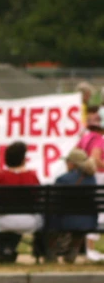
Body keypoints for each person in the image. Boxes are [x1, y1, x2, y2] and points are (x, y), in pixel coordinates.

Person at [45, 148, 97, 263]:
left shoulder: (63, 179)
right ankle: (72, 252)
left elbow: (54, 202)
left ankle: (51, 253)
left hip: (65, 220)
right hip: (88, 221)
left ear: (72, 164)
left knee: (49, 218)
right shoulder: (91, 179)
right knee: (79, 222)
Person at [76, 107, 104, 261]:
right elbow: (95, 159)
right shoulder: (99, 140)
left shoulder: (84, 138)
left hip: (86, 177)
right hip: (99, 177)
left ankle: (87, 247)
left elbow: (76, 154)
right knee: (100, 214)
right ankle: (90, 248)